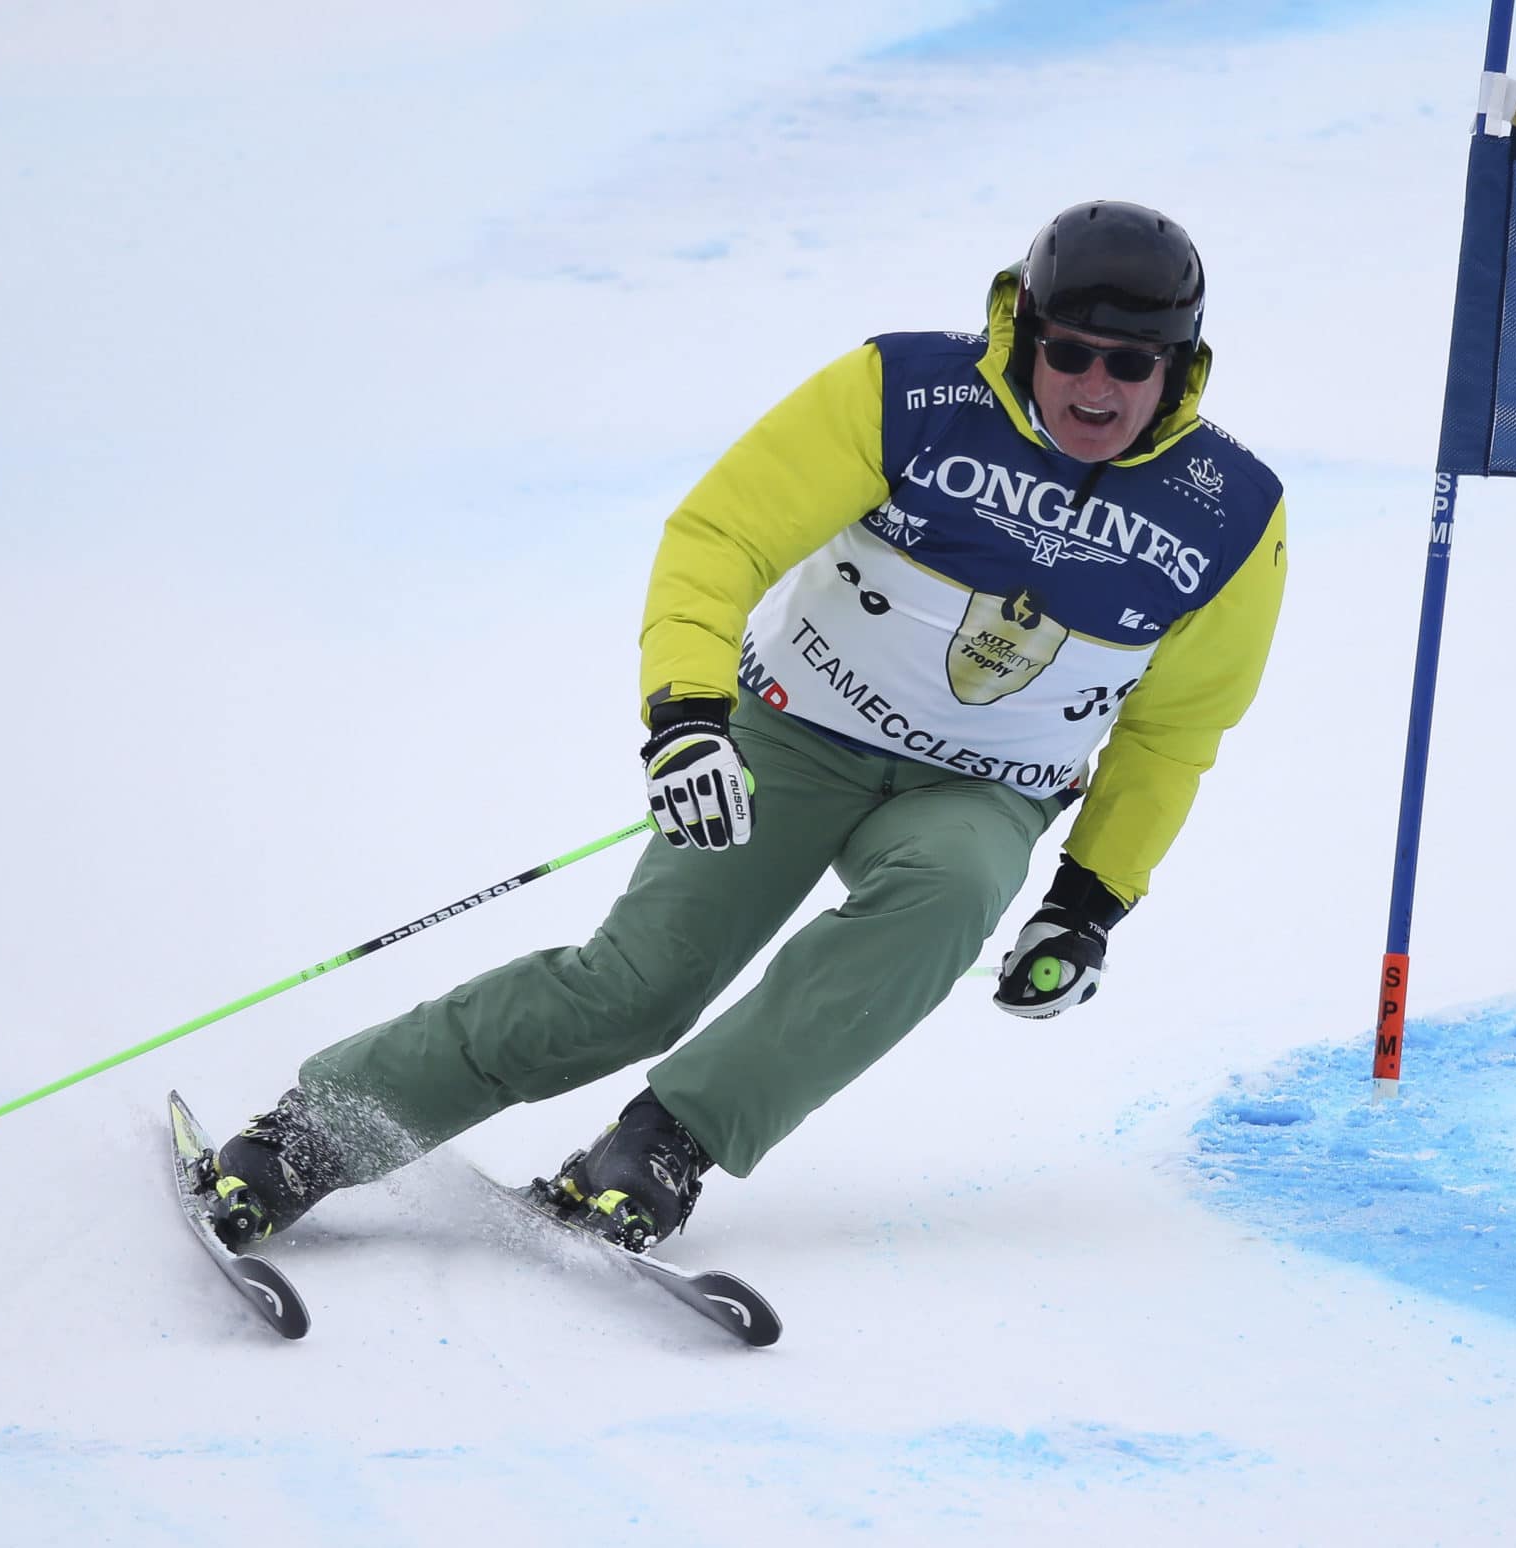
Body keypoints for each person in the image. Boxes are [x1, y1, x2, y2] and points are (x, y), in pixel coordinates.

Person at [206, 199, 1289, 1253]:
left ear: (1180, 368)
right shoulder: (904, 391)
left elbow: (1174, 732)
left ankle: (663, 1145)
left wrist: (1086, 905)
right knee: (637, 990)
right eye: (1071, 352)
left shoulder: (1231, 511)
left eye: (1131, 364)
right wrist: (686, 718)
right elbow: (723, 536)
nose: (1096, 386)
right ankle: (316, 1133)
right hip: (791, 734)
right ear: (1026, 330)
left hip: (980, 789)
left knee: (953, 887)